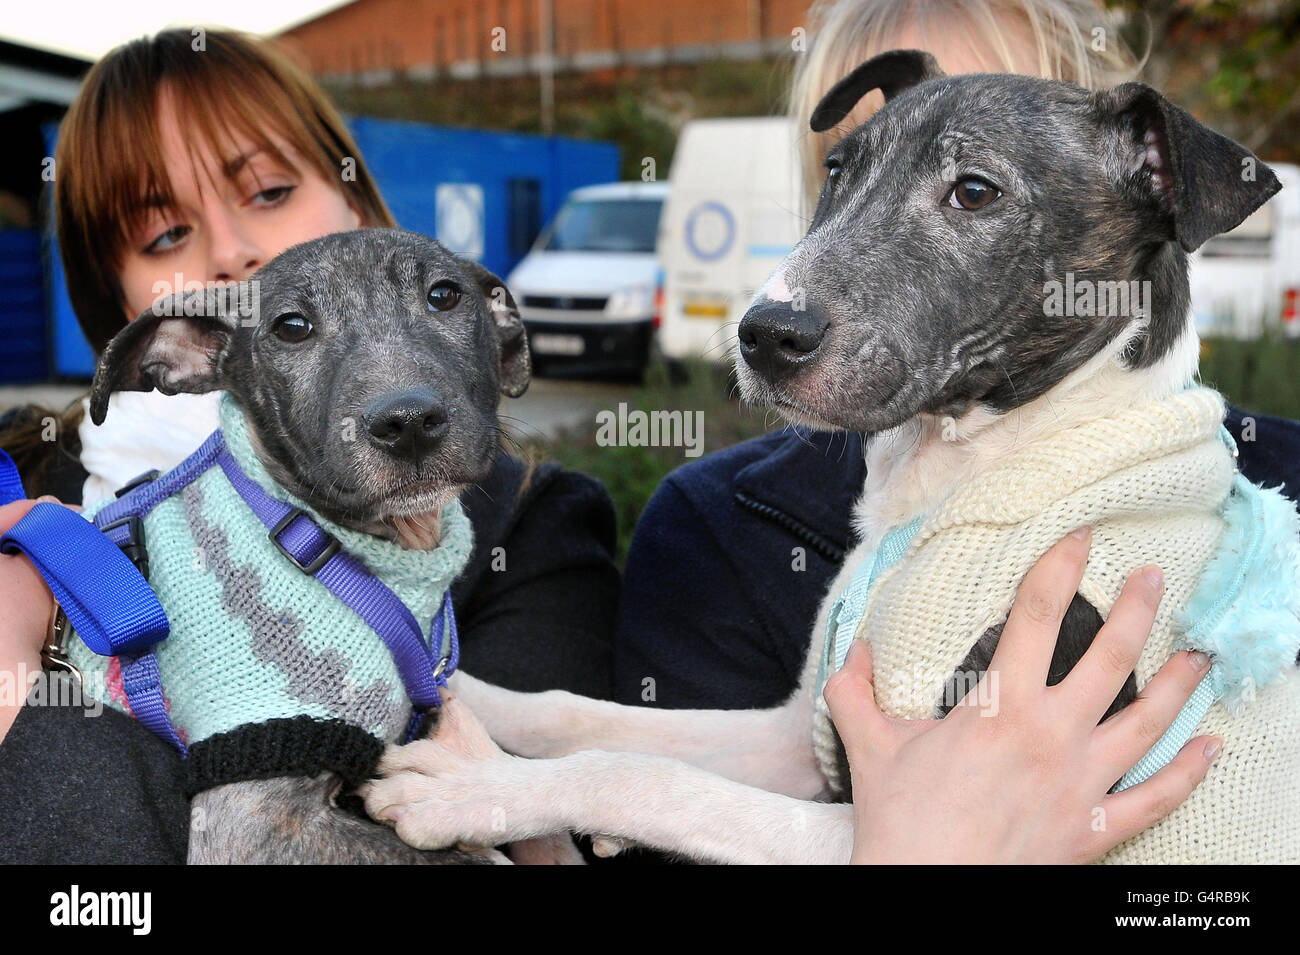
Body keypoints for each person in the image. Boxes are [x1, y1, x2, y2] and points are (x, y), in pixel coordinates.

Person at [612, 0, 1300, 861]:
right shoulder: (714, 529)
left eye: (972, 189)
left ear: (1132, 181)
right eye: (853, 169)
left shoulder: (1265, 495)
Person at [0, 28, 619, 863]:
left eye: (268, 190)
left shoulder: (530, 529)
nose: (231, 250)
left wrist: (25, 719)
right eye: (164, 238)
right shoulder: (32, 492)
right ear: (144, 326)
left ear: (356, 199)